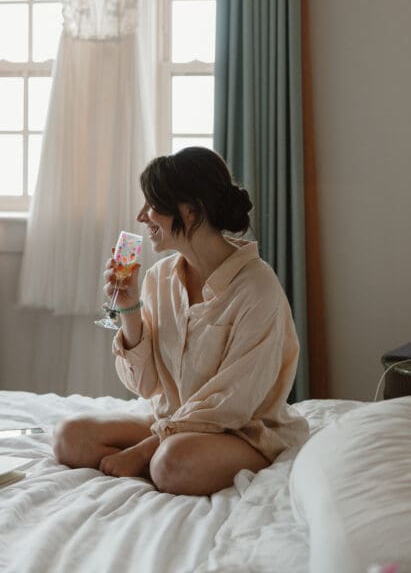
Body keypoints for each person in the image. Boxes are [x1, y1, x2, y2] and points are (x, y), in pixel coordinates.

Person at [53, 147, 309, 496]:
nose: (142, 216)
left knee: (171, 463)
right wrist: (128, 310)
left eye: (153, 206)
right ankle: (161, 461)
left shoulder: (258, 289)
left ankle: (160, 463)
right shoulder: (160, 278)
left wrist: (145, 448)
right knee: (70, 437)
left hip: (239, 431)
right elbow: (145, 386)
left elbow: (232, 403)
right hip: (172, 424)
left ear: (190, 212)